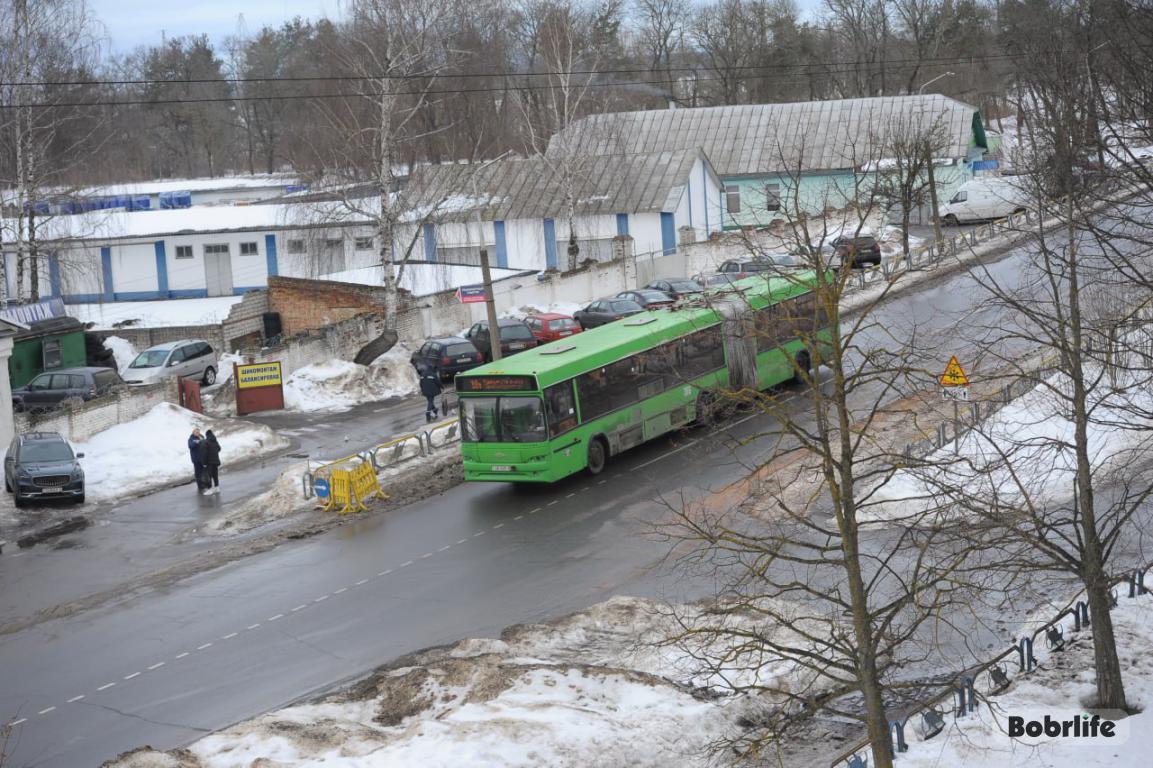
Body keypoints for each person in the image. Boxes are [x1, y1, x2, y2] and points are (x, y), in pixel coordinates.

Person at [201, 430, 222, 495]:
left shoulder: (206, 442)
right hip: (215, 461)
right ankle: (217, 487)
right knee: (215, 475)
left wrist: (204, 463)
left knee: (209, 475)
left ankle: (209, 489)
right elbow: (219, 448)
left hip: (209, 462)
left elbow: (204, 453)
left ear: (206, 435)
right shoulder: (215, 441)